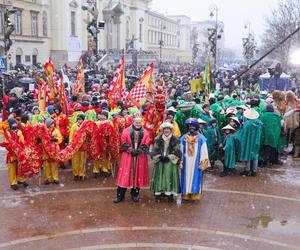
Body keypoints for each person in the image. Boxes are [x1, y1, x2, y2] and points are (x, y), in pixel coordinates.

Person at [113, 114, 151, 203]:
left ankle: (135, 194)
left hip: (140, 157)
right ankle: (120, 196)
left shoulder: (145, 132)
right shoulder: (126, 131)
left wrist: (139, 150)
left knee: (138, 175)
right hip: (128, 156)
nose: (138, 124)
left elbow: (147, 143)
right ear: (133, 122)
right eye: (136, 122)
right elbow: (123, 141)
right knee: (124, 176)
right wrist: (131, 150)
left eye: (139, 122)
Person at [151, 122, 182, 202]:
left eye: (168, 129)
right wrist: (158, 156)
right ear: (162, 130)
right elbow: (154, 150)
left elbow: (178, 151)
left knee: (169, 176)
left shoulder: (175, 140)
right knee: (159, 176)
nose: (166, 130)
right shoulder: (158, 139)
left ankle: (169, 193)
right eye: (165, 129)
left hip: (170, 162)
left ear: (171, 130)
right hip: (160, 161)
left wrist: (170, 157)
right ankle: (158, 193)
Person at [180, 118, 210, 202]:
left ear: (196, 126)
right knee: (185, 177)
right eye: (190, 126)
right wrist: (180, 161)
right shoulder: (183, 138)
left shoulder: (201, 138)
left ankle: (194, 194)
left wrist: (202, 163)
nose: (191, 127)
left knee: (196, 177)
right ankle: (185, 194)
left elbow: (204, 150)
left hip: (196, 162)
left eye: (193, 126)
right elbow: (181, 150)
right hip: (186, 162)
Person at [238, 109, 263, 177]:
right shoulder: (259, 123)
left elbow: (243, 134)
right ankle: (254, 171)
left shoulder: (247, 124)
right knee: (255, 155)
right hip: (256, 142)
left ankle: (247, 170)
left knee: (247, 155)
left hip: (248, 142)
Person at [6, 118, 28, 190]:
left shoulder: (19, 131)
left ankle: (21, 180)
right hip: (11, 154)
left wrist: (24, 148)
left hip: (19, 153)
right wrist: (13, 148)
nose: (15, 124)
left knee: (20, 167)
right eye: (13, 123)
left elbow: (22, 140)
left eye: (15, 123)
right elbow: (7, 143)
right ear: (10, 124)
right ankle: (13, 183)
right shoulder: (8, 132)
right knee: (12, 168)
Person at [43, 118, 63, 184]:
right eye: (51, 123)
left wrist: (56, 139)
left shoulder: (56, 131)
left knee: (54, 164)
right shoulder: (44, 131)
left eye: (53, 123)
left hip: (54, 150)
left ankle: (55, 178)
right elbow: (42, 139)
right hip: (46, 150)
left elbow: (60, 138)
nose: (53, 124)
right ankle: (47, 178)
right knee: (47, 165)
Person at [69, 114, 86, 180]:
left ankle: (81, 174)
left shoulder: (85, 126)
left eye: (81, 119)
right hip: (75, 146)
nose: (79, 121)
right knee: (75, 161)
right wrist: (71, 144)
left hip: (83, 146)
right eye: (78, 119)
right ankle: (75, 174)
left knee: (82, 161)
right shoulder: (74, 126)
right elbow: (71, 136)